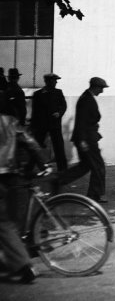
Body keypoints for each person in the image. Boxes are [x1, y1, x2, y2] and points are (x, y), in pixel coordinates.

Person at [1, 97, 53, 284]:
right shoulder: (12, 123)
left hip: (6, 176)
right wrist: (44, 164)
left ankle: (23, 264)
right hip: (14, 172)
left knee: (6, 222)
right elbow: (30, 142)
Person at [58, 77, 110, 203]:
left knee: (85, 166)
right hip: (87, 139)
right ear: (95, 86)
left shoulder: (87, 97)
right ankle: (94, 195)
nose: (102, 91)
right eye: (101, 88)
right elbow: (81, 121)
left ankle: (58, 180)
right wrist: (82, 141)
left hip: (87, 138)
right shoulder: (86, 99)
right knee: (98, 166)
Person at [30, 73, 68, 170]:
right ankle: (28, 169)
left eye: (56, 80)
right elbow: (35, 111)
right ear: (48, 81)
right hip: (41, 126)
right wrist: (33, 126)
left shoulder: (58, 92)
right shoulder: (38, 94)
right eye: (54, 80)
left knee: (59, 147)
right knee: (36, 147)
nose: (56, 82)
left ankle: (63, 169)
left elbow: (63, 106)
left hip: (55, 125)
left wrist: (59, 113)